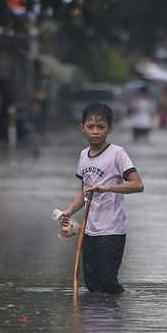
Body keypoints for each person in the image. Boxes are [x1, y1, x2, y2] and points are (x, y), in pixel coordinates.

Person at [59, 102, 144, 296]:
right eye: (90, 127)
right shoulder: (83, 156)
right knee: (92, 285)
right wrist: (69, 211)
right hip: (89, 230)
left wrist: (107, 187)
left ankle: (120, 311)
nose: (95, 132)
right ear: (82, 129)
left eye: (101, 127)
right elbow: (84, 192)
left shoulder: (117, 154)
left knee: (108, 282)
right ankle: (93, 324)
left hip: (112, 229)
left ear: (110, 129)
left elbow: (138, 185)